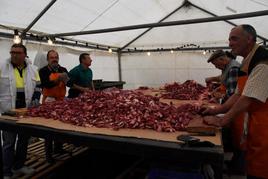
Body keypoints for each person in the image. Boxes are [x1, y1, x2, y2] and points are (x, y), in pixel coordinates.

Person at [203, 24, 268, 179]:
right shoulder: (247, 62)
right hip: (256, 123)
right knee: (252, 162)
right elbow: (238, 94)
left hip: (265, 126)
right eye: (229, 39)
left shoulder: (263, 63)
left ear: (249, 39)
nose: (230, 43)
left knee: (262, 167)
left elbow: (247, 98)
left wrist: (222, 120)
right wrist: (217, 110)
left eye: (234, 39)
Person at [0, 44, 41, 179]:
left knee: (23, 140)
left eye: (18, 52)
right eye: (12, 52)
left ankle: (19, 165)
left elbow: (38, 87)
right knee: (9, 143)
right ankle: (6, 171)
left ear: (25, 55)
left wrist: (35, 98)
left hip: (26, 110)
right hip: (8, 111)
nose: (14, 55)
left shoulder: (33, 69)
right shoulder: (2, 67)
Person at [39, 50, 69, 163]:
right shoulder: (43, 71)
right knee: (48, 128)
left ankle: (58, 148)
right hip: (49, 102)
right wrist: (58, 79)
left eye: (56, 57)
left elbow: (68, 82)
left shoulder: (63, 69)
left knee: (60, 126)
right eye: (52, 57)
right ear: (48, 59)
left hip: (61, 101)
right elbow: (45, 84)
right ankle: (48, 154)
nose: (54, 59)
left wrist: (66, 78)